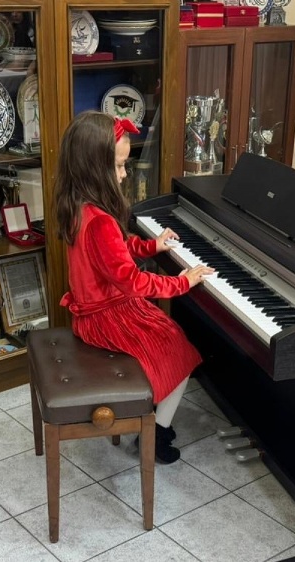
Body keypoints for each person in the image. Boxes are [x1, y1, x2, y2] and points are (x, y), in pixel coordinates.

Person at [54, 111, 214, 464]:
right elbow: (133, 280)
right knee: (179, 350)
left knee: (171, 339)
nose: (124, 174)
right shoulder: (99, 221)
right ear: (93, 169)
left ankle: (153, 415)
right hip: (109, 318)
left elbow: (115, 251)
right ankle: (155, 434)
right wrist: (182, 282)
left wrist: (151, 246)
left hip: (95, 313)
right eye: (118, 166)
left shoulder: (80, 207)